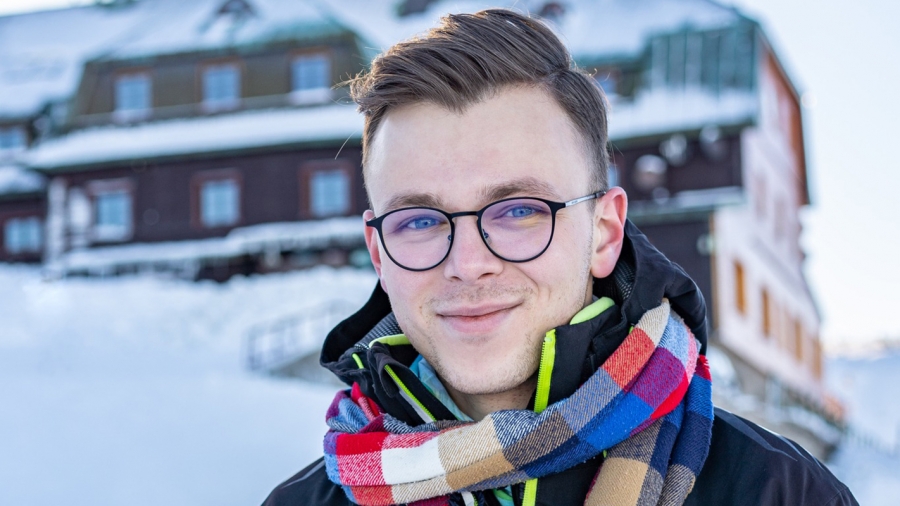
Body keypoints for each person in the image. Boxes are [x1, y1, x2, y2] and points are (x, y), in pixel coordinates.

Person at [263, 9, 856, 506]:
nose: (467, 263)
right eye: (420, 221)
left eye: (518, 211)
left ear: (603, 233)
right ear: (379, 253)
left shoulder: (775, 490)